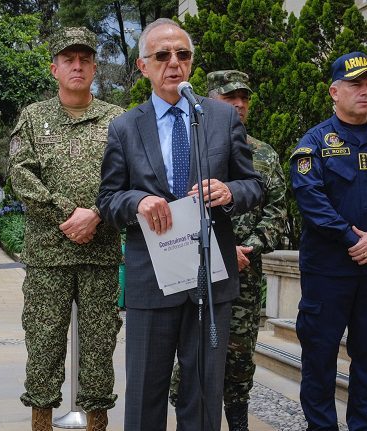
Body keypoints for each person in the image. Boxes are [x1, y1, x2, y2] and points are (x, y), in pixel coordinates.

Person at [97, 18, 263, 431]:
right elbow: (108, 200)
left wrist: (228, 192)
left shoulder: (222, 119)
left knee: (204, 392)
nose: (174, 63)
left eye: (183, 55)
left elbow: (254, 186)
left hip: (210, 277)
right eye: (162, 56)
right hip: (151, 276)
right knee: (145, 393)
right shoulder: (124, 127)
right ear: (143, 66)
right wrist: (139, 200)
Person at [289, 51, 367, 430]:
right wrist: (351, 238)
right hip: (328, 272)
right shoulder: (314, 143)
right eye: (355, 84)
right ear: (334, 91)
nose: (365, 91)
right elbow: (310, 199)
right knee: (320, 359)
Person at [8, 27, 124, 431]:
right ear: (54, 68)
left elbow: (129, 179)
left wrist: (95, 213)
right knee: (42, 349)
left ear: (94, 68)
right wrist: (65, 213)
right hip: (47, 257)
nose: (77, 66)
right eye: (68, 60)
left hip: (101, 253)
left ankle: (97, 426)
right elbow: (20, 175)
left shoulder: (118, 119)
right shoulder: (34, 116)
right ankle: (39, 425)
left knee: (98, 352)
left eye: (85, 60)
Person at [168, 70, 287, 431]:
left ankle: (237, 425)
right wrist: (217, 251)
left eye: (243, 98)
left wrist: (247, 248)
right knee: (187, 357)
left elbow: (278, 213)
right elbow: (173, 208)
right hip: (193, 271)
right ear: (209, 102)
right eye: (228, 98)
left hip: (243, 273)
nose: (238, 104)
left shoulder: (263, 154)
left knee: (237, 358)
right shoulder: (186, 146)